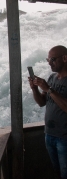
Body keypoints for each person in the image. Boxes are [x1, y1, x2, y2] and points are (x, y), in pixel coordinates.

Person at [28, 45, 67, 179]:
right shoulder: (52, 78)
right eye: (48, 59)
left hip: (64, 137)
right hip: (49, 135)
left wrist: (49, 89)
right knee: (56, 172)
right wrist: (35, 89)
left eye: (53, 59)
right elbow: (41, 103)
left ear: (65, 58)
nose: (49, 63)